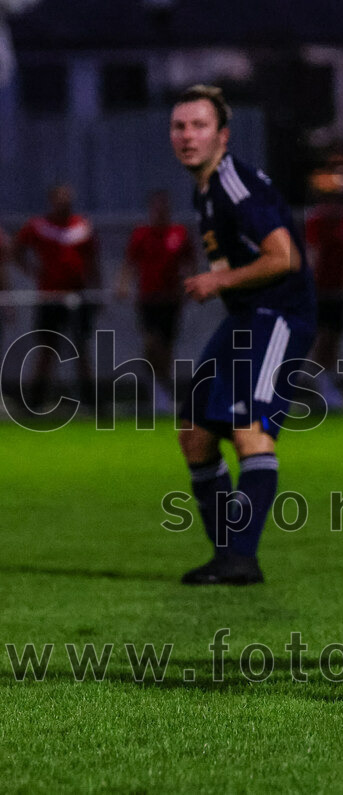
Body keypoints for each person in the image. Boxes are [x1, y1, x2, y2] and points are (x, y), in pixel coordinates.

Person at [169, 85, 317, 585]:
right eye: (179, 126)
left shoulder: (233, 182)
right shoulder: (206, 188)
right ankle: (227, 556)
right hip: (246, 318)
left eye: (199, 126)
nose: (187, 135)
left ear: (223, 136)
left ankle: (241, 559)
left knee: (249, 429)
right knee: (194, 434)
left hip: (278, 316)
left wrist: (219, 280)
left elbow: (284, 256)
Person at [13, 184, 100, 408]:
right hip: (49, 298)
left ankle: (91, 401)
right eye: (60, 198)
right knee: (46, 350)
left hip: (77, 297)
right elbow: (17, 250)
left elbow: (92, 261)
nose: (65, 202)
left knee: (81, 349)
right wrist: (33, 270)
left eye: (68, 198)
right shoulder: (38, 226)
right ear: (52, 200)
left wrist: (96, 290)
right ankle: (35, 401)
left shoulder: (82, 226)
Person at [117, 189, 196, 411]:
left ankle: (163, 391)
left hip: (171, 299)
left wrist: (191, 285)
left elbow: (190, 262)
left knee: (167, 347)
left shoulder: (179, 233)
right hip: (148, 298)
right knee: (152, 344)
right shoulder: (141, 234)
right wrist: (123, 284)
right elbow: (130, 262)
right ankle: (154, 387)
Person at [304, 190, 343, 408]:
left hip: (339, 290)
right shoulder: (316, 223)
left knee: (333, 338)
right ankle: (319, 381)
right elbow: (312, 253)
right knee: (321, 337)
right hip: (318, 291)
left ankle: (326, 381)